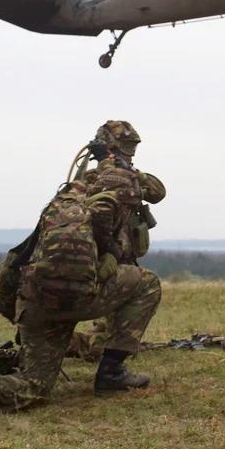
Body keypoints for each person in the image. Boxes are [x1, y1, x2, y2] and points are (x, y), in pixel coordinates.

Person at [0, 162, 160, 411]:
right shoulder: (108, 214)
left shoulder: (60, 211)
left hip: (36, 306)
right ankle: (111, 373)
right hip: (79, 301)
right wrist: (113, 252)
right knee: (148, 283)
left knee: (34, 386)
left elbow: (17, 260)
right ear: (125, 204)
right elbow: (124, 255)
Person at [66, 120, 165, 362]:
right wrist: (107, 166)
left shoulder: (129, 176)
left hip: (126, 254)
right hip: (104, 257)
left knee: (115, 324)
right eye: (125, 147)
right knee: (102, 346)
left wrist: (131, 172)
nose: (130, 153)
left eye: (132, 148)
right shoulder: (92, 178)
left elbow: (158, 193)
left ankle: (90, 341)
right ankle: (65, 343)